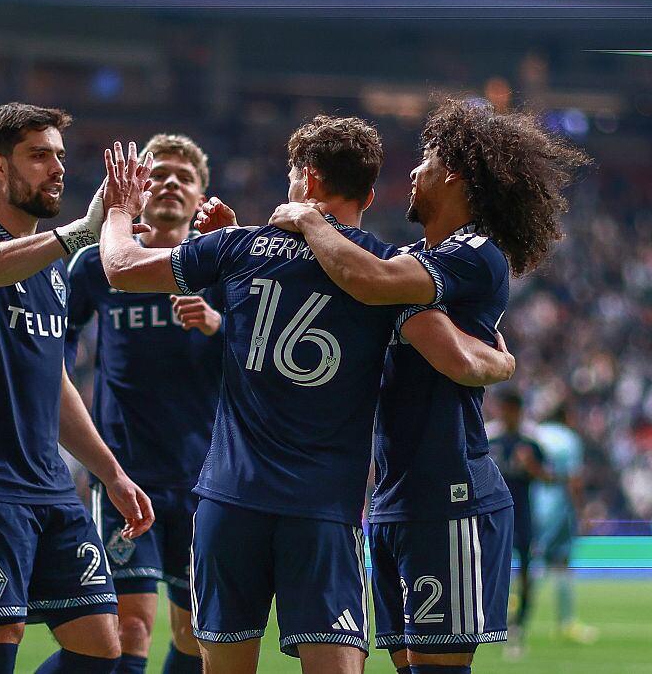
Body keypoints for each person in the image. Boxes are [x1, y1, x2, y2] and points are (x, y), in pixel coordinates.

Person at [98, 120, 513, 674]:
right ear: (368, 195)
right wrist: (505, 360)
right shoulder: (384, 272)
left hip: (228, 501)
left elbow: (120, 267)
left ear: (307, 179)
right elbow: (454, 357)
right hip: (322, 512)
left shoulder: (239, 249)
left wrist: (121, 209)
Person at [266, 100, 589, 674]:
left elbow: (370, 277)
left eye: (426, 158)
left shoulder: (476, 253)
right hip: (393, 499)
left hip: (450, 495)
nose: (412, 171)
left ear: (456, 174)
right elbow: (337, 283)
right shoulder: (416, 259)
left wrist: (310, 217)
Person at [0, 102, 154, 674]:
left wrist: (111, 473)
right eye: (39, 155)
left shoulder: (53, 268)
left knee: (102, 650)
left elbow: (55, 383)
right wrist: (79, 233)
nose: (57, 168)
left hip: (47, 484)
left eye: (60, 156)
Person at [66, 133, 220, 674]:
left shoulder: (220, 266)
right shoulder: (99, 266)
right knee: (131, 625)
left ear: (202, 197)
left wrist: (220, 324)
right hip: (126, 471)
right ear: (139, 187)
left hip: (205, 476)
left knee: (194, 633)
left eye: (185, 176)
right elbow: (53, 343)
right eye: (158, 173)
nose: (171, 182)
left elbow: (261, 357)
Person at [487, 391, 550, 656]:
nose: (505, 413)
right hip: (493, 515)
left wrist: (532, 466)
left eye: (510, 409)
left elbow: (548, 478)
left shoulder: (531, 440)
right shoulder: (490, 437)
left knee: (524, 573)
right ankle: (492, 621)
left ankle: (518, 625)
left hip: (521, 516)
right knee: (490, 569)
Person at [533, 404, 597, 644]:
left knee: (534, 559)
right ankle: (565, 622)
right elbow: (573, 479)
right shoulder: (568, 439)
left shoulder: (536, 433)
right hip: (559, 508)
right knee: (559, 562)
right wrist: (582, 512)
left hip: (532, 505)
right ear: (566, 416)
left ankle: (513, 615)